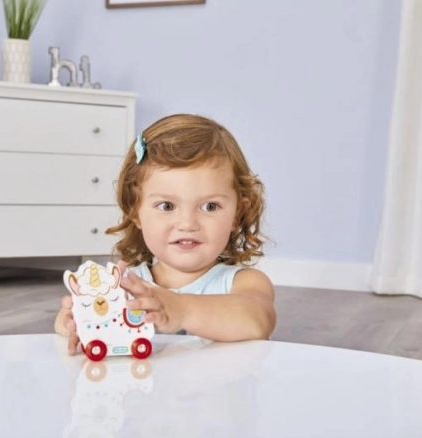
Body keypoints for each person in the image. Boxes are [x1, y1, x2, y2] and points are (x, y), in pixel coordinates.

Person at [55, 114, 276, 355]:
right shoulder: (125, 286)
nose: (187, 224)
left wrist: (181, 309)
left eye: (210, 206)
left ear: (237, 214)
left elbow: (258, 320)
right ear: (135, 212)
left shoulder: (244, 283)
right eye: (167, 206)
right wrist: (75, 321)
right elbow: (67, 324)